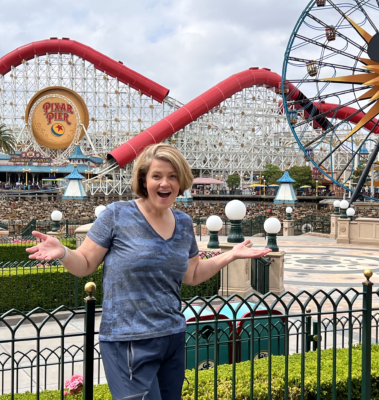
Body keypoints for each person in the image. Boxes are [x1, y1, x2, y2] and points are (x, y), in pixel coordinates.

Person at [26, 144, 270, 400]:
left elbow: (193, 274)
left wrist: (230, 255)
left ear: (181, 181)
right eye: (157, 176)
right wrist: (64, 252)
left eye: (172, 176)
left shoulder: (184, 223)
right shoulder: (117, 215)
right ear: (143, 179)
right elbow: (85, 263)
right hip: (128, 339)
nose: (165, 183)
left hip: (172, 337)